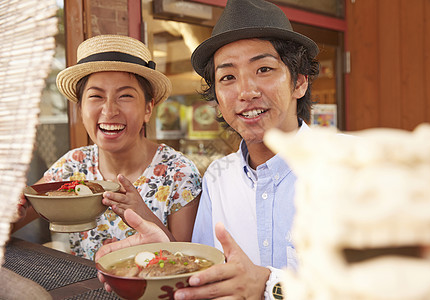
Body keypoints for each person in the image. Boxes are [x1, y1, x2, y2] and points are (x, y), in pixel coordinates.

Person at [97, 0, 319, 298]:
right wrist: (165, 251)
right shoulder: (218, 176)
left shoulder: (355, 168)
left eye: (264, 69)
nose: (246, 92)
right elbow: (205, 275)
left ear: (300, 82)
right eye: (228, 77)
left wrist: (268, 286)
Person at [13, 35, 202, 260]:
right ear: (80, 109)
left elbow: (191, 263)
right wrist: (13, 210)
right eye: (96, 96)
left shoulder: (178, 172)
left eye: (125, 96)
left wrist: (144, 215)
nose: (109, 110)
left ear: (148, 109)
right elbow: (17, 216)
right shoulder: (74, 164)